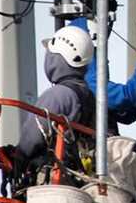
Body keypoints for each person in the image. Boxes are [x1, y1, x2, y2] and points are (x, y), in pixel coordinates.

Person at [13, 25, 97, 167]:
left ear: (56, 59)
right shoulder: (88, 95)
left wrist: (17, 157)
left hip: (53, 174)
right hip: (76, 174)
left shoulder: (58, 95)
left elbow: (32, 138)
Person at [68, 16, 136, 124]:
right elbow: (123, 98)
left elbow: (127, 115)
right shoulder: (89, 80)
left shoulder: (82, 79)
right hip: (97, 139)